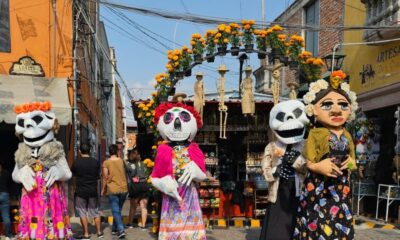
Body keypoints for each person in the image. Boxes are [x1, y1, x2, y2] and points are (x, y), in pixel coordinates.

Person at [293, 71, 358, 239]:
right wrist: (317, 166)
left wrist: (350, 163)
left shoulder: (348, 134)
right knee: (318, 221)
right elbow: (307, 161)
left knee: (340, 221)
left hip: (341, 186)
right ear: (313, 109)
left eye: (343, 105)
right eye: (327, 105)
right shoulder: (315, 133)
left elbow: (353, 161)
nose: (337, 110)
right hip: (318, 186)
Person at [12, 101, 73, 239]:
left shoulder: (55, 148)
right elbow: (14, 174)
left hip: (51, 196)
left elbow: (67, 173)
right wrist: (20, 174)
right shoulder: (22, 152)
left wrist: (59, 172)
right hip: (31, 197)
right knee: (33, 226)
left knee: (51, 222)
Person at [72, 143, 103, 239]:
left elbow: (73, 177)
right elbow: (98, 177)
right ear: (90, 150)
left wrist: (74, 187)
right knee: (95, 212)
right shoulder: (95, 162)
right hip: (93, 190)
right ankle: (99, 232)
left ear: (80, 151)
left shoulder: (76, 162)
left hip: (80, 191)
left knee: (82, 212)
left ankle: (86, 233)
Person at [101, 144, 128, 239]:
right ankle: (114, 229)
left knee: (115, 211)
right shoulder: (122, 161)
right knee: (118, 210)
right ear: (117, 151)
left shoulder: (106, 163)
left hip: (112, 189)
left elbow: (105, 177)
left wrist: (103, 189)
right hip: (124, 188)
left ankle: (121, 230)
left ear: (109, 151)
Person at [126, 148, 150, 230]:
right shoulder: (143, 164)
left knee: (133, 207)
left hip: (135, 186)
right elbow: (147, 174)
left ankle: (130, 223)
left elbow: (130, 178)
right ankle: (143, 225)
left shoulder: (129, 165)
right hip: (144, 185)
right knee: (144, 207)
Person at [0, 162, 13, 240]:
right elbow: (11, 185)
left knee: (6, 217)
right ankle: (8, 235)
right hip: (5, 194)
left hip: (4, 194)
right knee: (6, 217)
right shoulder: (6, 173)